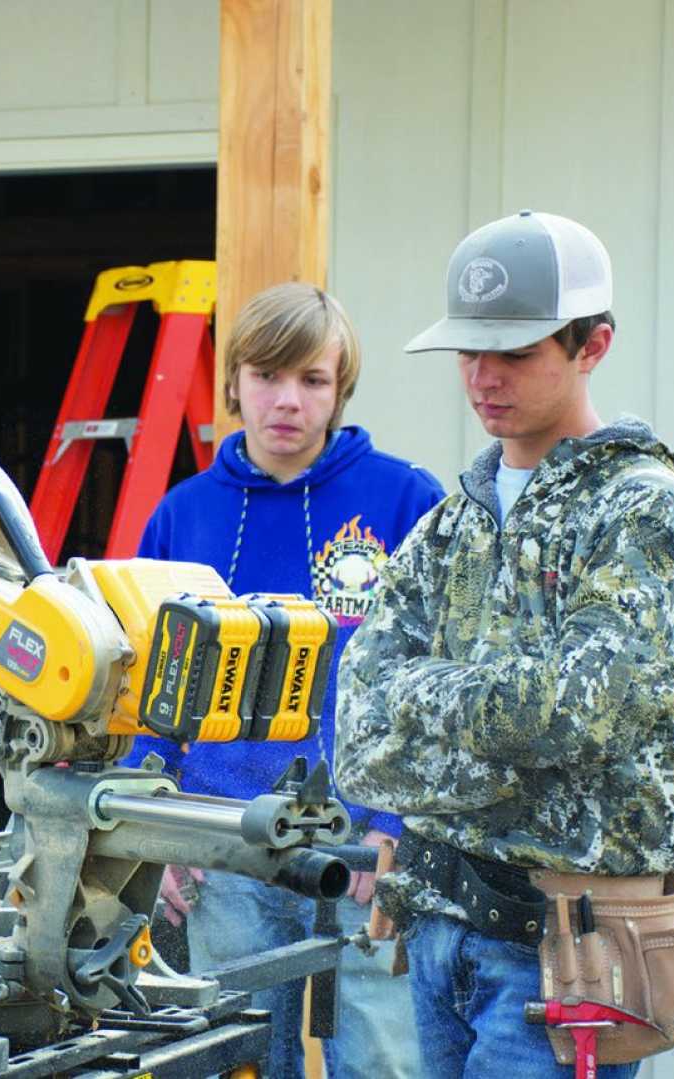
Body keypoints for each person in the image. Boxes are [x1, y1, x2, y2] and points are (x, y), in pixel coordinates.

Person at [334, 210, 674, 1078]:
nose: (482, 378)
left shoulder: (641, 508)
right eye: (468, 353)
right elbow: (361, 727)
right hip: (439, 932)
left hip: (565, 951)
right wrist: (498, 732)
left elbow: (574, 714)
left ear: (592, 345)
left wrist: (434, 705)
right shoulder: (456, 519)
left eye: (514, 354)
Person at [125, 282, 442, 1079]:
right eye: (266, 376)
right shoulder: (181, 515)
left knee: (380, 1059)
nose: (287, 400)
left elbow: (437, 681)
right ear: (233, 381)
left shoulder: (408, 501)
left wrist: (396, 825)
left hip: (367, 841)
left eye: (312, 379)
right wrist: (152, 827)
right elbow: (148, 687)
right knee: (236, 1062)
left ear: (340, 390)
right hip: (224, 841)